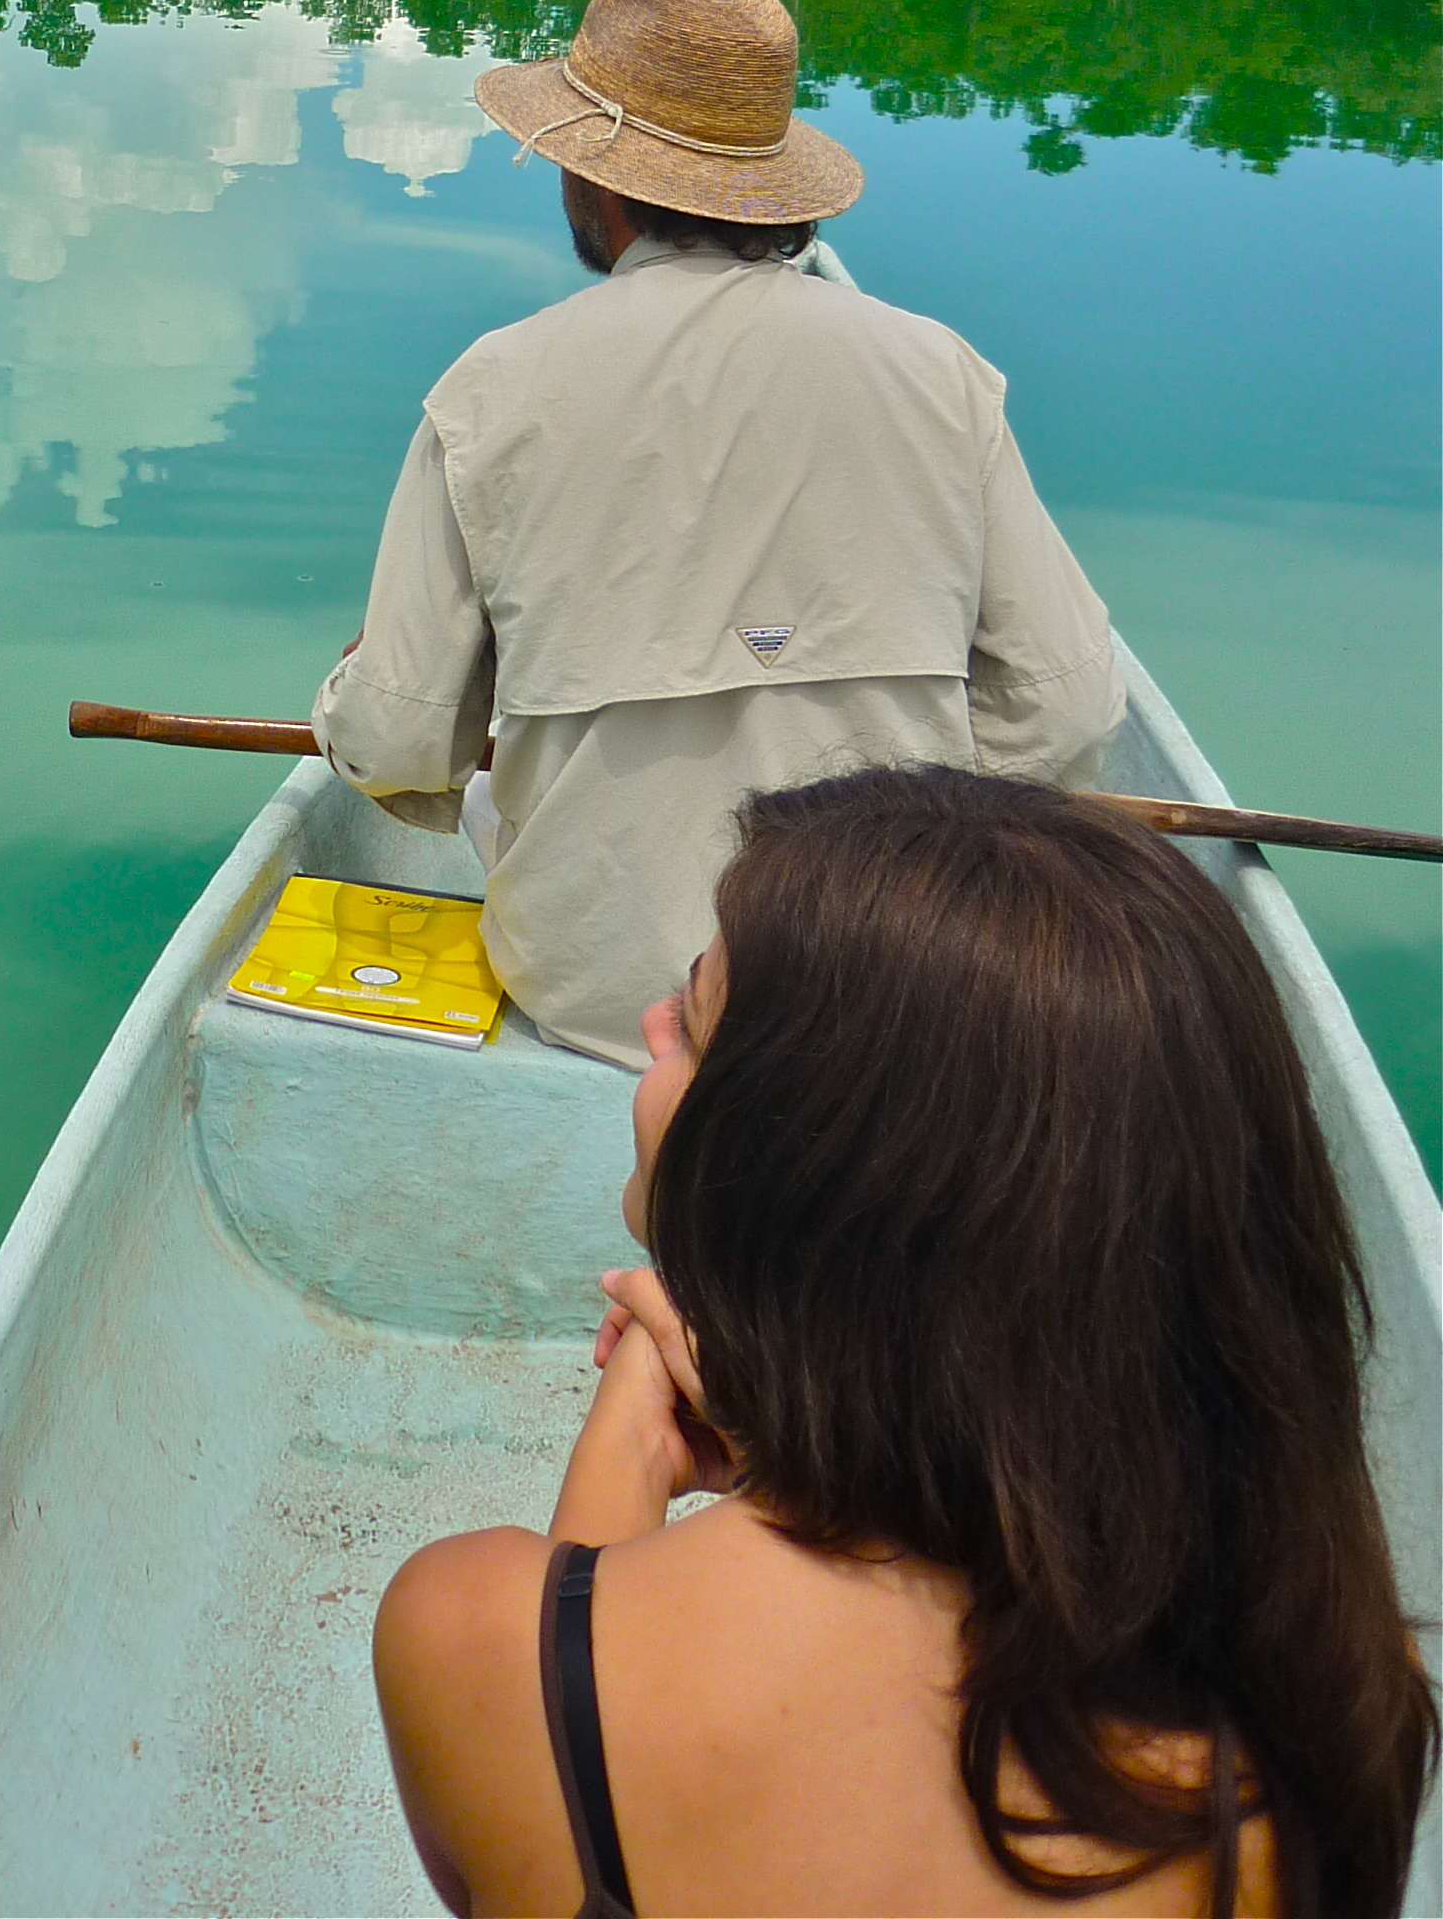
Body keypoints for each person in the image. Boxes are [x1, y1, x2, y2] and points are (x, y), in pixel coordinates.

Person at [373, 768, 1439, 1919]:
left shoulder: (467, 1638)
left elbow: (559, 1719)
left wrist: (629, 1446)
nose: (652, 1026)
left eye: (691, 1020)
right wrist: (801, 1458)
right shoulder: (1322, 1716)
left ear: (810, 1181)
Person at [312, 0, 1123, 1066]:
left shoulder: (494, 389)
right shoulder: (941, 373)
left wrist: (347, 699)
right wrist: (937, 835)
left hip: (600, 990)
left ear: (594, 182)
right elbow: (1071, 714)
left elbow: (401, 739)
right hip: (886, 988)